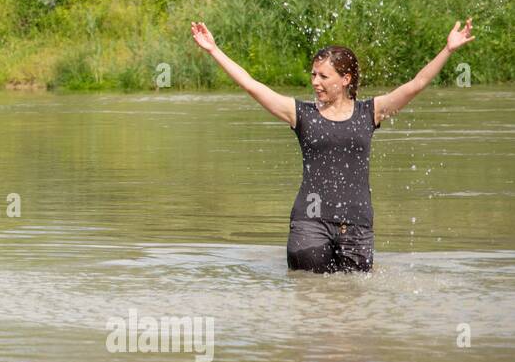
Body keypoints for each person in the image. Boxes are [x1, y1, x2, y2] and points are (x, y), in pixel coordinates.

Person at [189, 18, 476, 272]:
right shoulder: (300, 114)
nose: (315, 82)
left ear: (345, 79)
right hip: (309, 225)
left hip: (357, 226)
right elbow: (252, 85)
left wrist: (448, 50)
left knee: (353, 309)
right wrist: (214, 51)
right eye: (313, 74)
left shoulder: (370, 113)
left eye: (323, 76)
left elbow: (415, 84)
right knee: (310, 300)